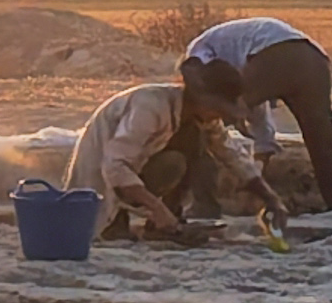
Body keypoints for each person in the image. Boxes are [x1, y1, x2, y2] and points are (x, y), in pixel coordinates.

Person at [66, 80, 283, 243]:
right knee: (174, 162)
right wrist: (157, 208)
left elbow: (231, 154)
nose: (223, 117)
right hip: (104, 177)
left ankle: (167, 222)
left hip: (137, 169)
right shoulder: (150, 106)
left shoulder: (200, 117)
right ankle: (119, 222)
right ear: (204, 102)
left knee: (196, 143)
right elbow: (115, 166)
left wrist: (270, 198)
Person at [177, 15, 332, 213]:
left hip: (271, 52)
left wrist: (214, 115)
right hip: (313, 58)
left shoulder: (198, 52)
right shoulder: (232, 58)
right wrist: (259, 164)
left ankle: (205, 204)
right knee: (320, 141)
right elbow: (257, 116)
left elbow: (211, 92)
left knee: (203, 129)